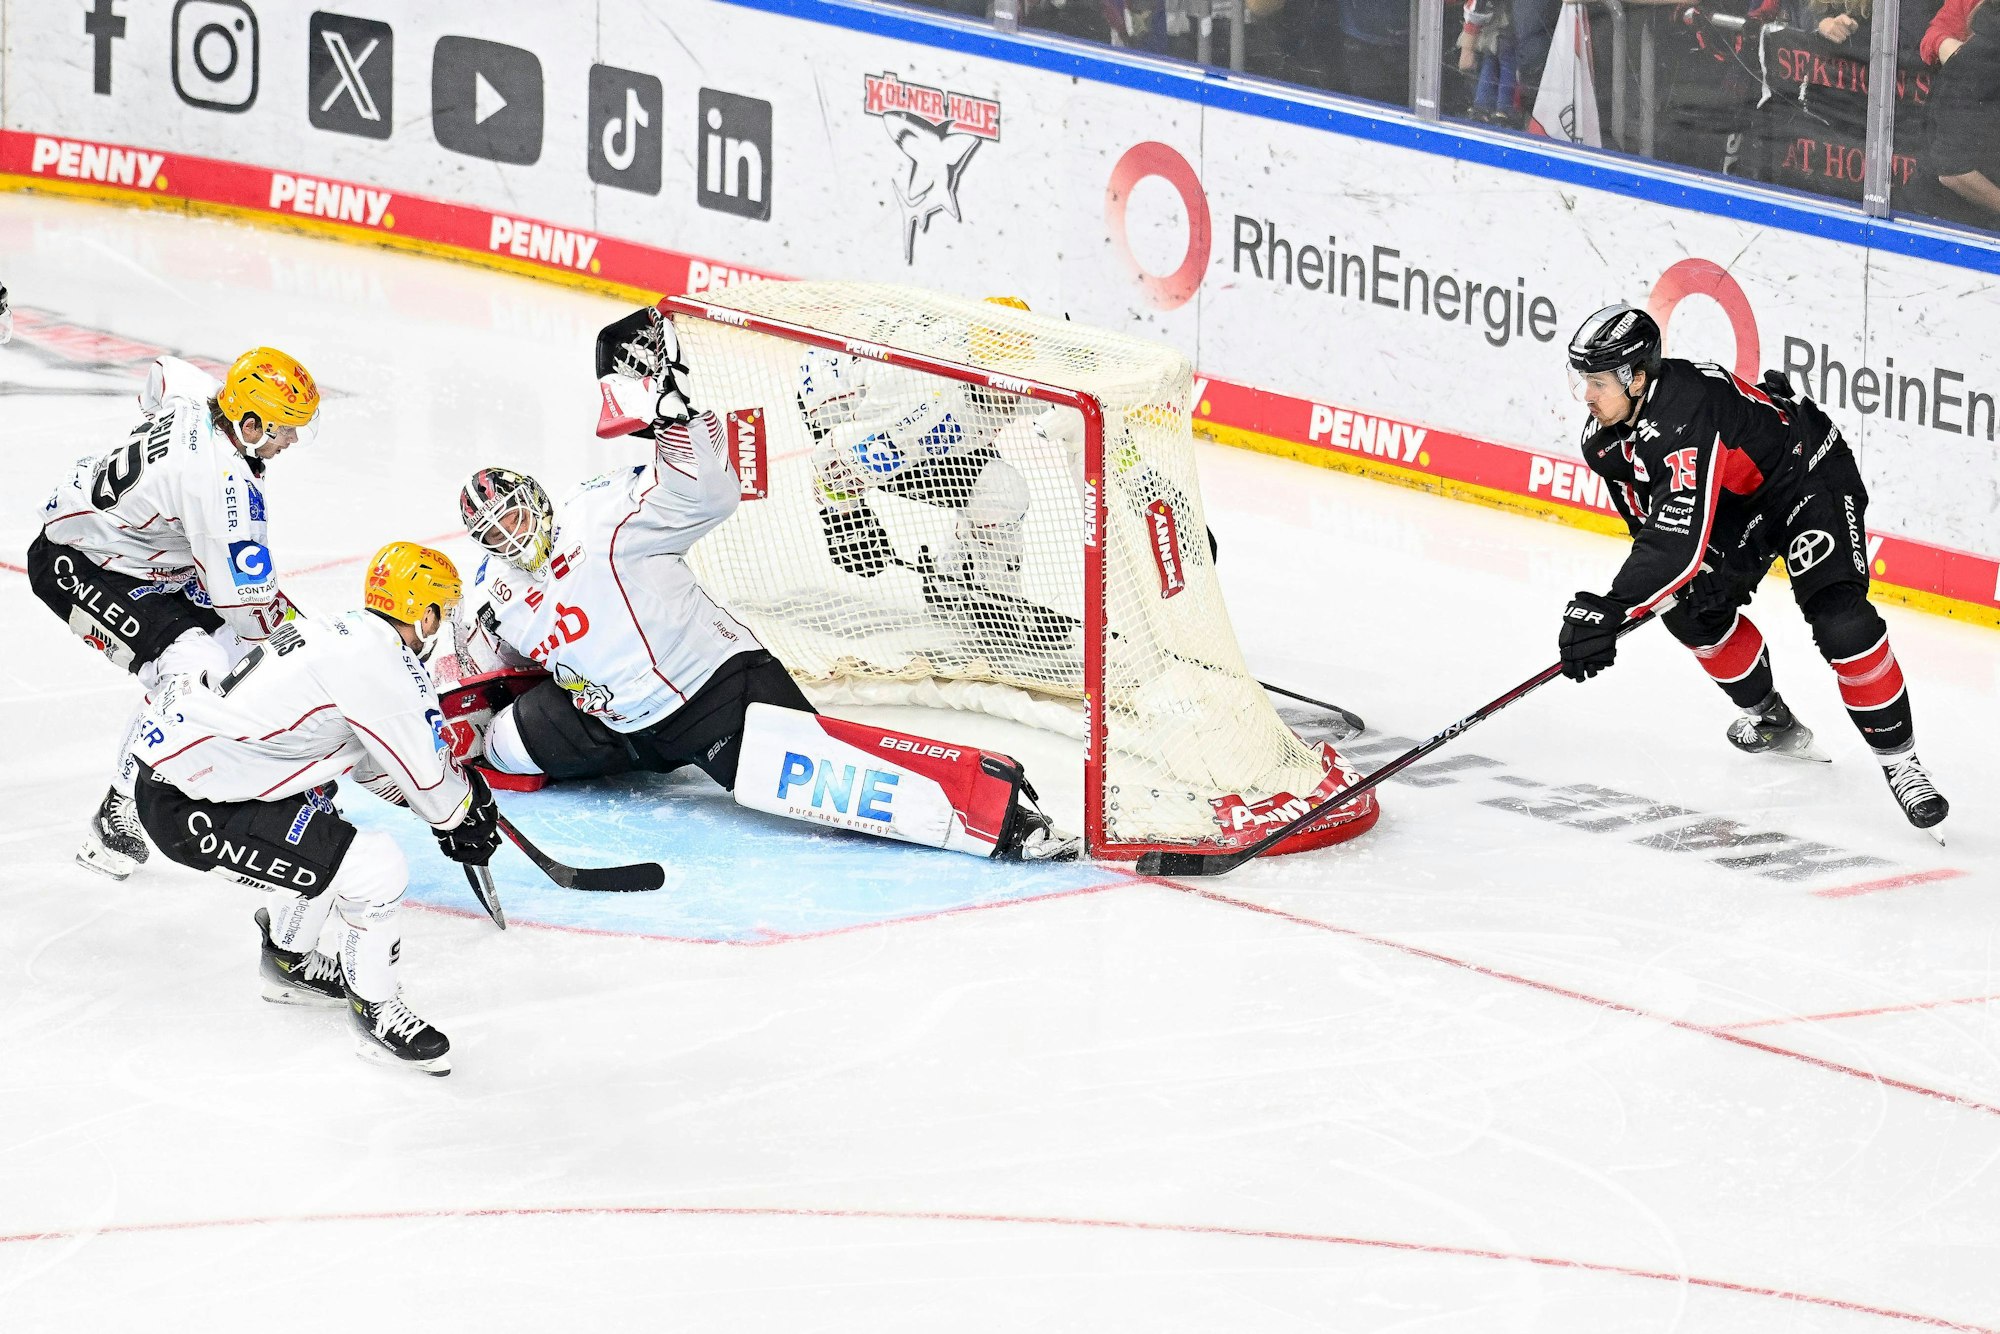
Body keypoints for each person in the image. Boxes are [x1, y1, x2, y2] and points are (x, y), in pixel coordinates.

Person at [447, 306, 1077, 862]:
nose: (511, 536)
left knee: (828, 783)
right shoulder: (494, 589)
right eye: (495, 532)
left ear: (537, 500)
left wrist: (671, 417)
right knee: (496, 747)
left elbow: (709, 495)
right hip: (609, 722)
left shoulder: (604, 514)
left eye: (514, 517)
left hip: (713, 692)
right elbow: (481, 665)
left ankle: (997, 811)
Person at [1554, 304, 1949, 839]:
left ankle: (1902, 763)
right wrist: (1644, 595)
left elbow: (1674, 542)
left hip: (1805, 475)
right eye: (1583, 380)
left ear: (1637, 377)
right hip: (1737, 506)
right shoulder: (1605, 441)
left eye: (1598, 382)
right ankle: (1771, 718)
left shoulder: (1686, 408)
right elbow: (1650, 528)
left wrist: (1612, 605)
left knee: (1842, 621)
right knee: (1688, 611)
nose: (1587, 395)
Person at [126, 542, 498, 1075]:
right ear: (426, 612)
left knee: (325, 836)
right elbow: (430, 782)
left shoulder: (342, 633)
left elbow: (370, 763)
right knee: (375, 867)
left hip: (189, 778)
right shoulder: (386, 666)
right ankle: (375, 1013)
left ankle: (288, 961)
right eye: (444, 610)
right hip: (192, 807)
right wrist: (461, 812)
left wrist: (448, 810)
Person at [29, 348, 318, 879]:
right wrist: (306, 642)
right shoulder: (221, 487)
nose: (294, 440)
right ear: (250, 425)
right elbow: (248, 610)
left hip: (139, 557)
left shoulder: (197, 396)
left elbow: (162, 371)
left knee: (248, 651)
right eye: (285, 428)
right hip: (78, 562)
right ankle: (119, 811)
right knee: (197, 667)